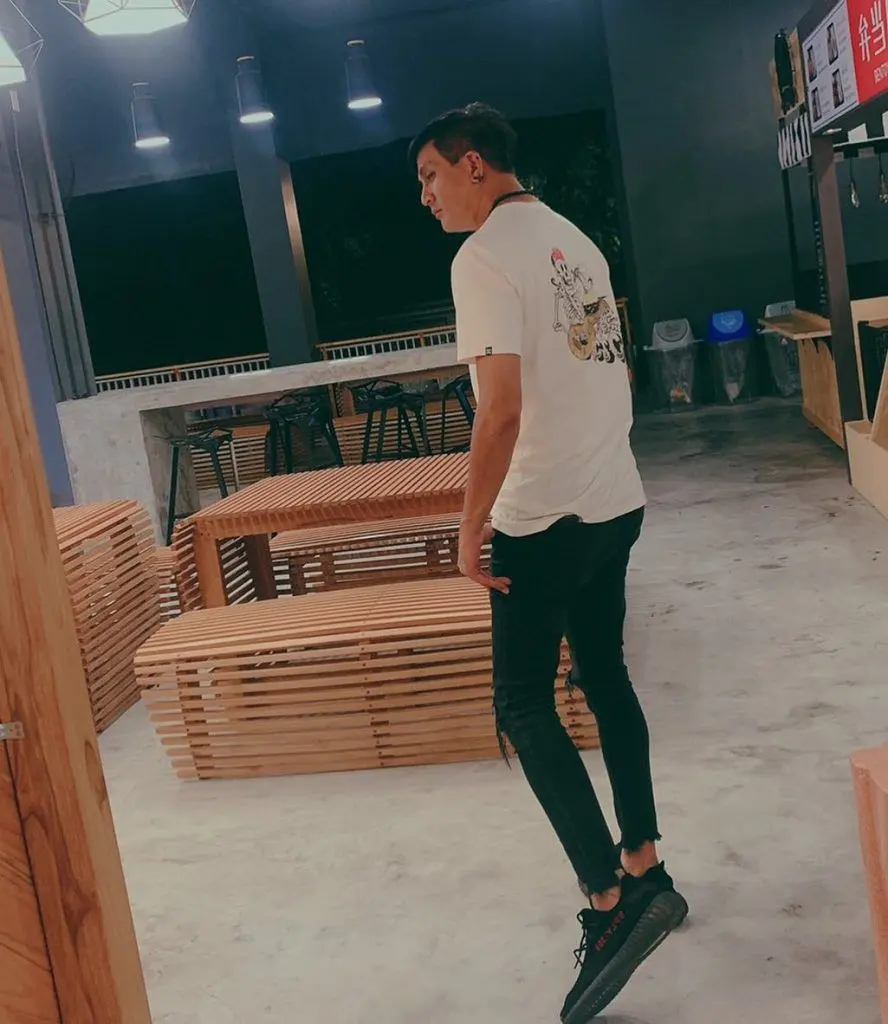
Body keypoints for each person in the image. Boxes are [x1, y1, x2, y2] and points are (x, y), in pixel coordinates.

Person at [409, 103, 688, 1022]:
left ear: (474, 165)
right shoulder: (578, 242)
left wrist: (470, 525)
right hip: (615, 501)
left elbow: (500, 410)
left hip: (545, 517)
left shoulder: (483, 257)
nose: (427, 197)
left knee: (523, 705)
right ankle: (647, 867)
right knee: (605, 676)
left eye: (431, 176)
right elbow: (612, 370)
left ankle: (608, 906)